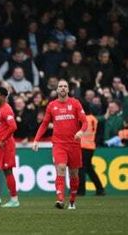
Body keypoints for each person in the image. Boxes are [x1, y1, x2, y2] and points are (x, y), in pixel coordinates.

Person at [32, 79, 88, 209]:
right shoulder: (52, 105)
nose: (62, 88)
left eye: (65, 86)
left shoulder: (75, 103)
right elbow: (44, 124)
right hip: (59, 144)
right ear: (57, 90)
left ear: (68, 89)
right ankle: (60, 199)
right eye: (60, 86)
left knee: (74, 174)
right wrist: (36, 140)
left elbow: (84, 122)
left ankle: (72, 200)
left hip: (74, 145)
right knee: (61, 168)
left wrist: (81, 131)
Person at [78, 105, 105, 196]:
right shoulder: (94, 119)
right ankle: (100, 189)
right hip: (91, 146)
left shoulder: (83, 119)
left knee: (81, 168)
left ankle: (81, 191)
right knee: (89, 169)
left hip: (83, 146)